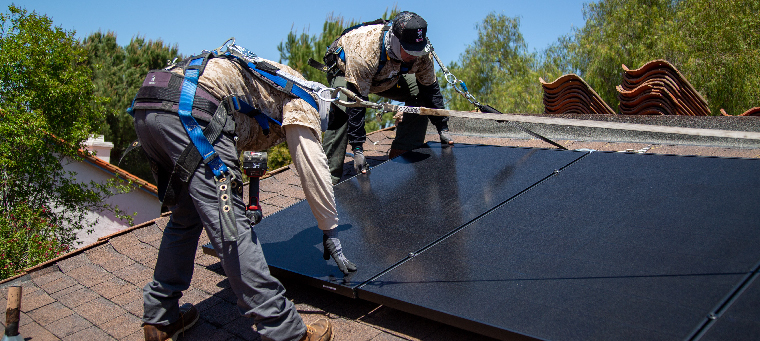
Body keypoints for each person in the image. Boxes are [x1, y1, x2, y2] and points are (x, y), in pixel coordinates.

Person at [132, 50, 355, 341]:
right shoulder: (304, 102)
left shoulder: (277, 79)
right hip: (194, 115)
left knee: (186, 215)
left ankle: (161, 319)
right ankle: (284, 331)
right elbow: (313, 167)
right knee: (231, 226)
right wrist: (329, 229)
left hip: (151, 106)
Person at [320, 11, 454, 185]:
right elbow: (356, 103)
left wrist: (442, 127)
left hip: (386, 76)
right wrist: (358, 149)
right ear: (396, 40)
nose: (414, 56)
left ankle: (403, 151)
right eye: (409, 51)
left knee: (420, 93)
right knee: (342, 108)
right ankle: (328, 178)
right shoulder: (365, 49)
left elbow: (431, 91)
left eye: (417, 51)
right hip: (346, 71)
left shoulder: (422, 53)